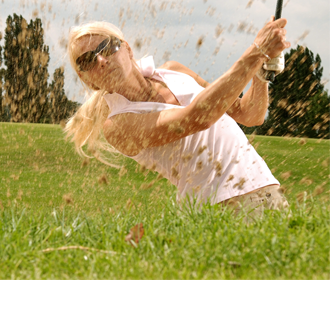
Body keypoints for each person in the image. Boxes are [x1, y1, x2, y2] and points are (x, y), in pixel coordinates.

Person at [64, 18, 290, 220]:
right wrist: (257, 51)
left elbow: (249, 114)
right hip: (220, 209)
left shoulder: (173, 70)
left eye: (107, 46)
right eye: (87, 61)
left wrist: (262, 71)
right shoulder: (117, 125)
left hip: (267, 188)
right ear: (90, 82)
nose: (101, 60)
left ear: (128, 49)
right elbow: (197, 118)